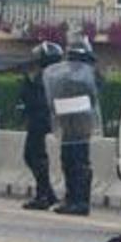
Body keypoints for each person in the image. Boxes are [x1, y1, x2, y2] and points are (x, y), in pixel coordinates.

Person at [43, 35, 102, 216]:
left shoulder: (91, 74)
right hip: (67, 122)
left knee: (80, 163)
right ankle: (70, 198)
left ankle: (81, 201)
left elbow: (96, 91)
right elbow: (54, 93)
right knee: (67, 161)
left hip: (81, 123)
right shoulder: (62, 75)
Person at [19, 41, 62, 210]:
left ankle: (43, 195)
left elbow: (37, 100)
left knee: (34, 155)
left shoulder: (46, 77)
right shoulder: (54, 76)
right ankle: (48, 193)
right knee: (34, 156)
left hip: (40, 119)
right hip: (43, 119)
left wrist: (26, 88)